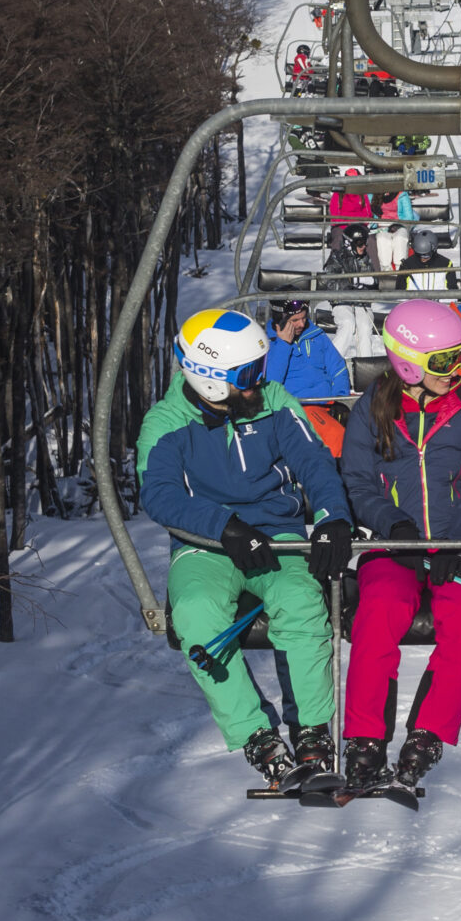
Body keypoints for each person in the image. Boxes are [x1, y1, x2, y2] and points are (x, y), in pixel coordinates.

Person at [138, 309, 355, 792]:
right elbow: (160, 494)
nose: (260, 382)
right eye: (248, 376)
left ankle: (313, 732)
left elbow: (314, 461)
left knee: (301, 604)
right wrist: (225, 527)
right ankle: (257, 737)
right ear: (213, 381)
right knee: (195, 615)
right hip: (206, 546)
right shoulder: (168, 423)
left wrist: (331, 517)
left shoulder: (274, 403)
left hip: (277, 538)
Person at [335, 300, 461, 796]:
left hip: (456, 543)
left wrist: (460, 537)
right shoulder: (372, 409)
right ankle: (365, 740)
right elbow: (358, 482)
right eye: (445, 362)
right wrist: (393, 525)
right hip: (394, 545)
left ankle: (427, 735)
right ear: (409, 362)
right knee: (378, 611)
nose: (457, 372)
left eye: (459, 358)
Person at [266, 300, 354, 450]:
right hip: (299, 406)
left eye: (304, 318)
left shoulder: (316, 336)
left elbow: (337, 367)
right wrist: (283, 345)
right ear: (280, 320)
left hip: (329, 401)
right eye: (295, 320)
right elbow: (271, 383)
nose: (301, 324)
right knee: (337, 437)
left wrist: (340, 398)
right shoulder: (270, 345)